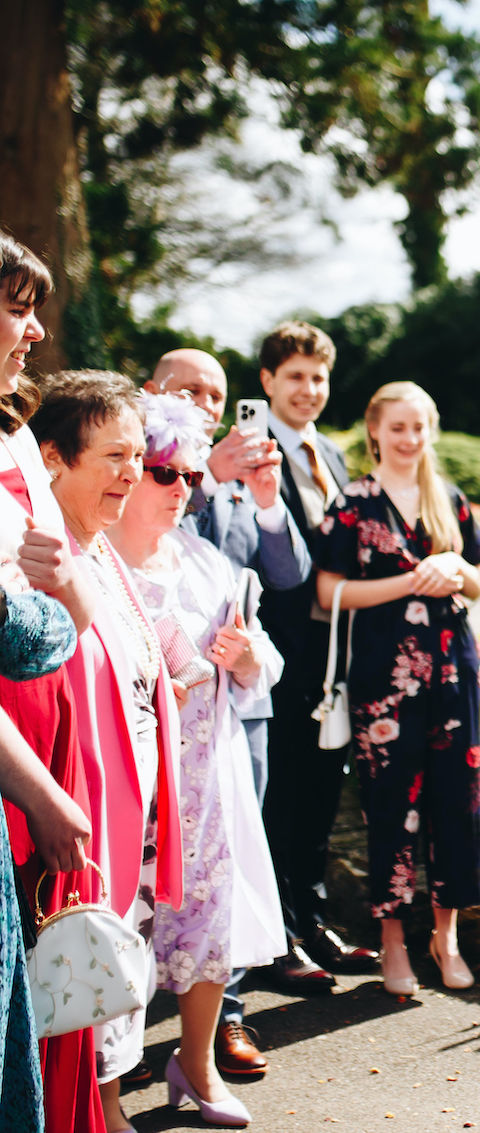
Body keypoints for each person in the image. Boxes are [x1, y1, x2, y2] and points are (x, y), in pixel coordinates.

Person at [107, 391, 288, 1126]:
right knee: (124, 929)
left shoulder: (207, 563)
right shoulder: (98, 558)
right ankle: (105, 1091)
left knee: (204, 925)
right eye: (163, 472)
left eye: (189, 474)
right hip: (126, 778)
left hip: (205, 779)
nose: (182, 488)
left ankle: (198, 1065)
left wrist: (247, 658)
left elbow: (262, 663)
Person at [145, 347, 311, 1076]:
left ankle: (227, 1019)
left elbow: (289, 575)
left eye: (217, 391)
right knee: (153, 869)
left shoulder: (240, 476)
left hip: (243, 705)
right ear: (154, 392)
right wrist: (204, 475)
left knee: (233, 863)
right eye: (190, 389)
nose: (208, 402)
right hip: (170, 704)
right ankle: (139, 1022)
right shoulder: (170, 467)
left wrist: (267, 497)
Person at [34, 370, 185, 1133]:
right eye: (114, 456)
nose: (132, 472)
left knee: (115, 974)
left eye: (138, 454)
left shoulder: (105, 555)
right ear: (54, 457)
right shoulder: (43, 557)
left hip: (129, 815)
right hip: (72, 820)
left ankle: (110, 1103)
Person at [315, 381, 480, 995]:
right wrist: (411, 581)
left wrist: (456, 571)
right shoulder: (352, 504)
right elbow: (327, 593)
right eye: (398, 428)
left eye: (419, 427)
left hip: (452, 674)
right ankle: (392, 942)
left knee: (456, 805)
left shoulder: (448, 498)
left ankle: (445, 938)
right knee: (390, 807)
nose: (409, 439)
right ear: (375, 432)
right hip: (383, 683)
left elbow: (478, 584)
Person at [0, 232, 108, 1133]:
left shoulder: (10, 430)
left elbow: (63, 586)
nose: (34, 330)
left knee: (48, 947)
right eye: (16, 306)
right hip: (10, 731)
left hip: (48, 697)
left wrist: (64, 590)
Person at [253, 321, 378, 994]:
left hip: (334, 655)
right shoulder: (251, 450)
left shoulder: (330, 452)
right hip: (279, 654)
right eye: (295, 375)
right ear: (268, 380)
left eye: (318, 377)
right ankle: (278, 939)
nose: (309, 388)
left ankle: (315, 917)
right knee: (282, 797)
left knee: (322, 794)